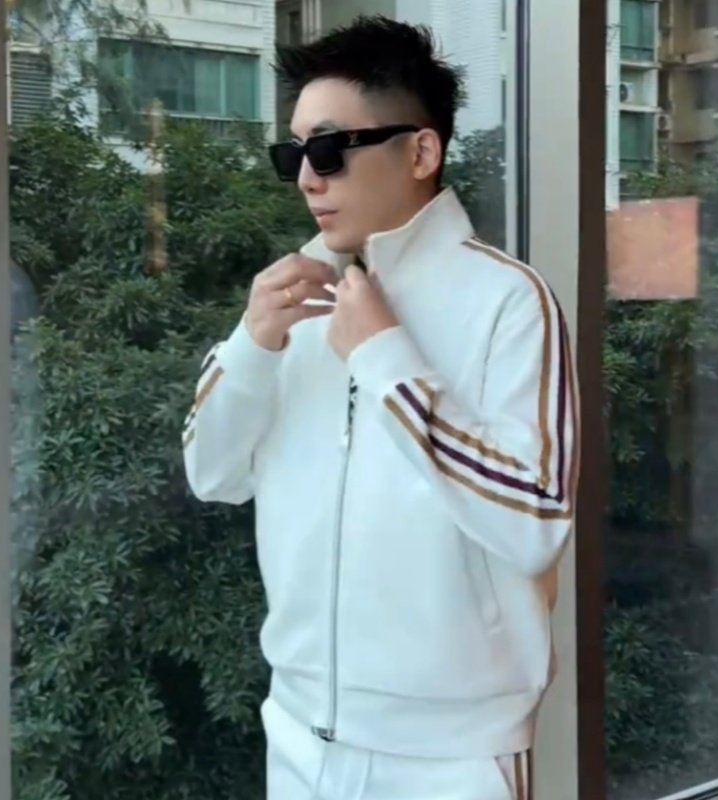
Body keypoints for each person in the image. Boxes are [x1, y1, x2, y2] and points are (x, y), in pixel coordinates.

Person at [183, 15, 579, 800]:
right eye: (293, 153)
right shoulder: (293, 298)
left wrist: (386, 359)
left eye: (330, 149)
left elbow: (535, 519)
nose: (307, 178)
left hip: (453, 756)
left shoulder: (509, 300)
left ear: (421, 152)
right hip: (297, 733)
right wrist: (251, 344)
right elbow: (211, 474)